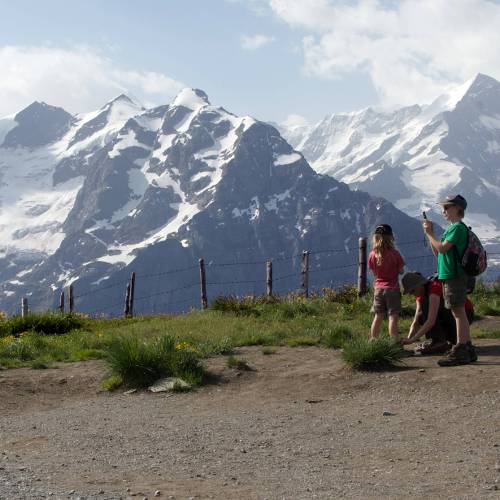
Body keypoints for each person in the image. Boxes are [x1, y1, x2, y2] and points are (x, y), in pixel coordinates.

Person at [422, 194, 477, 366]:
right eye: (443, 208)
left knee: (458, 311)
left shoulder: (457, 229)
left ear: (457, 209)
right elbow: (438, 252)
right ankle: (466, 348)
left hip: (455, 276)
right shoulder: (452, 229)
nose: (443, 211)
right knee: (457, 311)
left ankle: (461, 348)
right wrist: (430, 236)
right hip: (450, 275)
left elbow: (443, 248)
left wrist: (430, 234)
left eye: (447, 207)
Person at [401, 271, 475, 355]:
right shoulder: (421, 295)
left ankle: (439, 341)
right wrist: (408, 339)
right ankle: (443, 340)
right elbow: (416, 321)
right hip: (451, 317)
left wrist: (413, 339)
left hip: (465, 314)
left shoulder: (434, 288)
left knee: (426, 308)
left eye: (412, 291)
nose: (412, 294)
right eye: (410, 293)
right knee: (421, 316)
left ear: (419, 285)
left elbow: (431, 321)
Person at [368, 224, 405, 342]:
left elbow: (374, 272)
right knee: (393, 317)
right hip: (392, 288)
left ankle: (373, 340)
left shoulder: (372, 254)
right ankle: (394, 343)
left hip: (378, 288)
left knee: (378, 316)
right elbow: (401, 271)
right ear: (391, 238)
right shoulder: (395, 254)